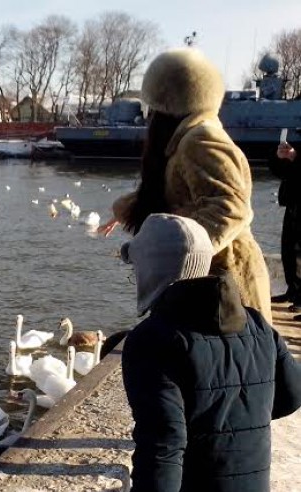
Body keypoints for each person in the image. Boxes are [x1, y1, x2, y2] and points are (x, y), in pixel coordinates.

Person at [66, 213, 301, 492]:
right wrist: (237, 414)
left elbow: (163, 446)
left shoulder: (153, 340)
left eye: (138, 266)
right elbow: (290, 396)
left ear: (155, 267)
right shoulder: (255, 322)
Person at [100, 48, 272, 324]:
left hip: (224, 285)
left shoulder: (200, 140)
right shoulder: (186, 139)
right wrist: (128, 209)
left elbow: (231, 209)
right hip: (210, 284)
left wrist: (181, 258)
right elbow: (179, 192)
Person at [268, 139, 301, 319]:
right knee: (288, 249)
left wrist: (295, 156)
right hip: (294, 201)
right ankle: (293, 290)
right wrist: (279, 158)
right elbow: (281, 172)